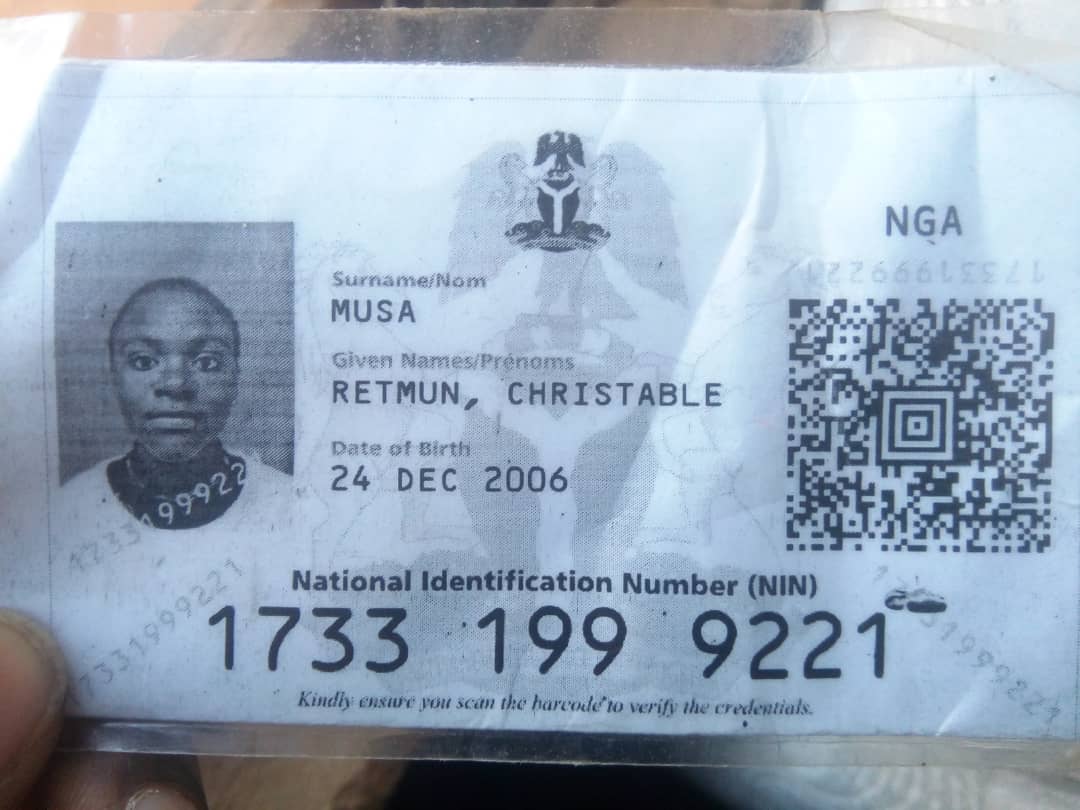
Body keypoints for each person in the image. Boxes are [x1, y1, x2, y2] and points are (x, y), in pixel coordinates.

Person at [62, 277, 290, 531]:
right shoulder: (70, 512)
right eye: (144, 361)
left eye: (206, 362)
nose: (176, 384)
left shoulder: (287, 506)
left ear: (235, 378)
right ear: (113, 376)